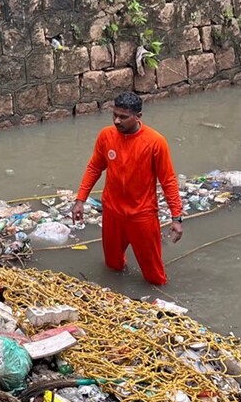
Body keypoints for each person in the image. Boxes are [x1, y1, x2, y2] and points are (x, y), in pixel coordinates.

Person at [70, 91, 183, 285]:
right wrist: (80, 200)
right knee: (113, 266)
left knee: (154, 275)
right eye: (114, 115)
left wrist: (176, 218)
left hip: (142, 215)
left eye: (123, 117)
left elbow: (168, 181)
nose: (116, 121)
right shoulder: (106, 136)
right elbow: (94, 167)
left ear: (138, 117)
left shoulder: (155, 142)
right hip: (112, 212)